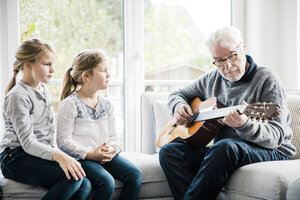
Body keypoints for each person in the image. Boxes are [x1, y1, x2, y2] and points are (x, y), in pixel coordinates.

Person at [159, 26, 296, 200]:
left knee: (226, 146)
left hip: (272, 150)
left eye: (232, 56)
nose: (227, 66)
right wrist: (178, 106)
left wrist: (245, 125)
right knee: (170, 152)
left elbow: (276, 137)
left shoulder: (267, 79)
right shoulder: (212, 78)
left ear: (243, 48)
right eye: (219, 61)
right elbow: (177, 94)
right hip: (224, 152)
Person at [0, 39, 91, 200]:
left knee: (85, 183)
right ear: (28, 65)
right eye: (47, 64)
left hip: (33, 155)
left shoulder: (43, 91)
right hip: (15, 159)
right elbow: (28, 143)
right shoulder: (18, 96)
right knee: (71, 178)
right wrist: (60, 156)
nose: (53, 69)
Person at [57, 49, 143, 200]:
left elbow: (114, 137)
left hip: (104, 156)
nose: (109, 75)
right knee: (106, 181)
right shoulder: (70, 104)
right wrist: (90, 154)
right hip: (82, 158)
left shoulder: (107, 105)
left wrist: (113, 149)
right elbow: (63, 141)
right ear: (86, 76)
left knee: (135, 175)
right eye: (104, 71)